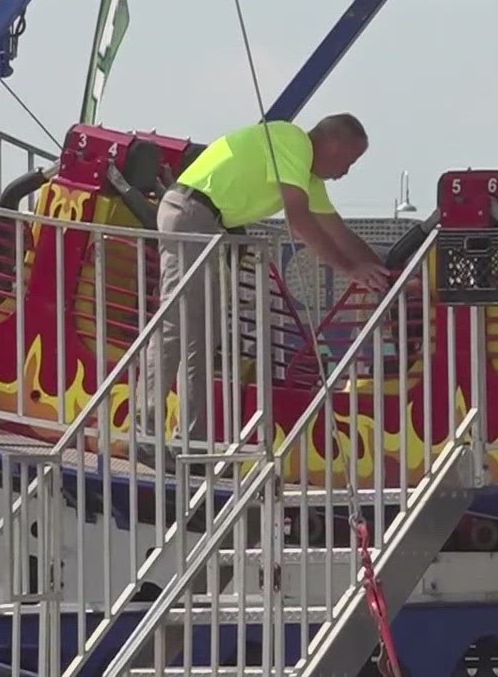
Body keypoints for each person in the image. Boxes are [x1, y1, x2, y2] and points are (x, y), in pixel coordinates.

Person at [140, 113, 392, 450]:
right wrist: (351, 270)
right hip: (192, 212)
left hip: (206, 224)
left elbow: (338, 231)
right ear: (334, 144)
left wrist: (388, 274)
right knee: (179, 325)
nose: (345, 173)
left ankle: (193, 440)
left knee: (201, 334)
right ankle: (148, 429)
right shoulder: (291, 140)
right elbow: (298, 219)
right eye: (350, 160)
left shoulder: (307, 178)